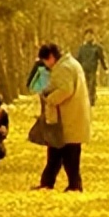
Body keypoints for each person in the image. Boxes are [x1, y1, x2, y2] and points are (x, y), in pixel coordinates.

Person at [34, 43, 92, 192]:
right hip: (73, 116)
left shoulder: (63, 68)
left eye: (45, 61)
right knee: (59, 153)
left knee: (66, 155)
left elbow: (66, 89)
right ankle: (51, 183)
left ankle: (72, 185)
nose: (46, 65)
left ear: (51, 57)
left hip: (67, 118)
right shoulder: (71, 64)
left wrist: (50, 99)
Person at [76, 29, 107, 106]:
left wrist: (105, 68)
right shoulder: (82, 48)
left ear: (93, 36)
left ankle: (91, 100)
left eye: (90, 35)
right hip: (83, 69)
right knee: (85, 86)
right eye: (87, 35)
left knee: (92, 85)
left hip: (93, 69)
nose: (89, 37)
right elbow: (79, 58)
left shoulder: (97, 47)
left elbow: (101, 58)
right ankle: (86, 100)